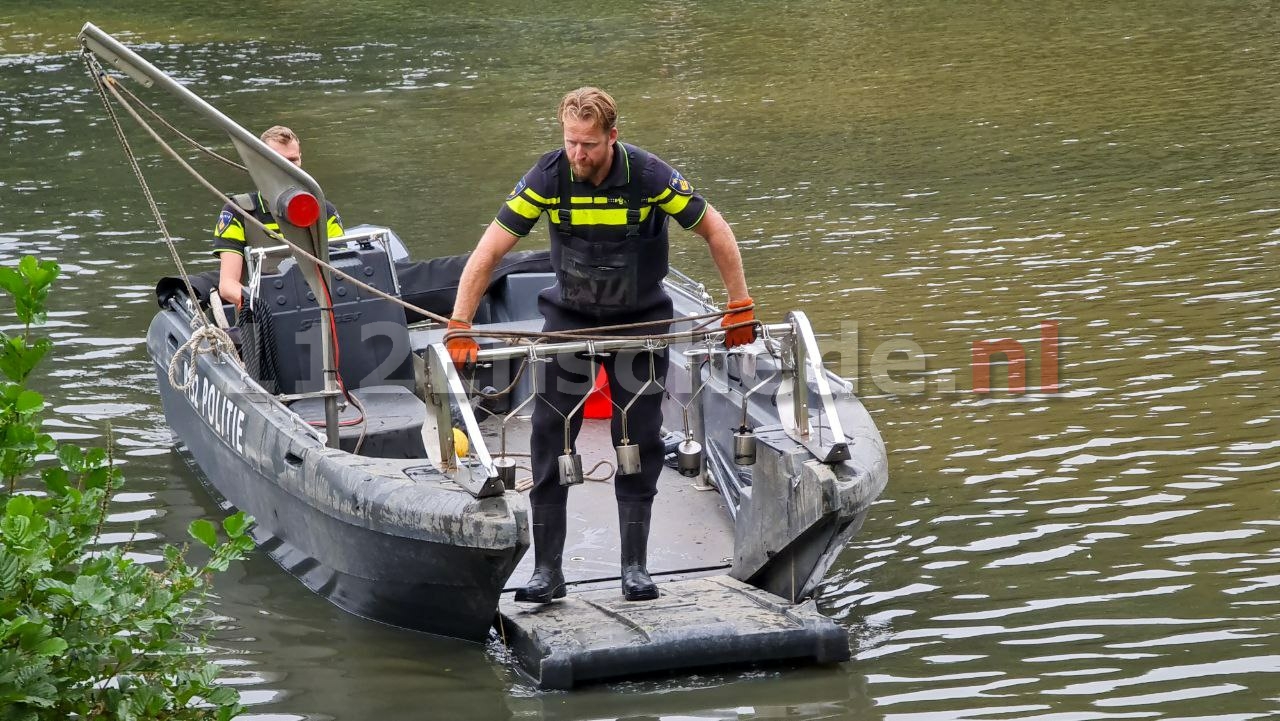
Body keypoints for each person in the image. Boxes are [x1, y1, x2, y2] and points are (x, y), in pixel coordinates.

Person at [446, 87, 757, 604]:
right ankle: (548, 572)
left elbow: (716, 230)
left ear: (612, 137)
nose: (578, 154)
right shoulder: (548, 177)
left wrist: (739, 303)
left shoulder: (651, 176)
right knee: (549, 438)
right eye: (570, 142)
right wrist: (460, 324)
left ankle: (634, 568)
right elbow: (489, 250)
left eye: (588, 144)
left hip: (641, 322)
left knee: (637, 442)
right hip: (569, 322)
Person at [212, 125, 344, 308]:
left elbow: (342, 269)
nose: (288, 168)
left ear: (300, 159)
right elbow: (227, 286)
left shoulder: (323, 211)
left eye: (293, 160)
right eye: (278, 161)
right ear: (261, 163)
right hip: (262, 318)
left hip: (317, 309)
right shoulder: (238, 212)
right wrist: (262, 306)